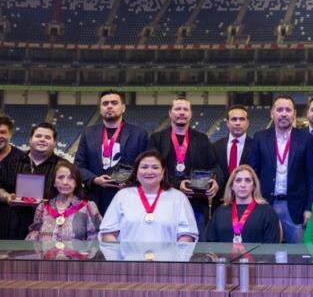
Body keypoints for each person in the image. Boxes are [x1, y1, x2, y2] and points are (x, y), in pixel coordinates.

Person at [245, 95, 313, 243]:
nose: (284, 114)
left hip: (295, 207)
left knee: (296, 255)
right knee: (265, 252)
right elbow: (252, 174)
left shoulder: (306, 139)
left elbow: (312, 176)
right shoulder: (260, 137)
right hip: (265, 204)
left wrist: (309, 208)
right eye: (279, 110)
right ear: (272, 113)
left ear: (294, 114)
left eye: (288, 110)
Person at [148, 96, 220, 229]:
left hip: (195, 203)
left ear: (190, 114)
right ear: (170, 113)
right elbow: (151, 170)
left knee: (195, 244)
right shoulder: (157, 139)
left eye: (185, 109)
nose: (182, 112)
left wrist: (216, 181)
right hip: (164, 200)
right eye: (177, 109)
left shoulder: (201, 139)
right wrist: (176, 184)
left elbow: (213, 166)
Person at [98, 150, 198, 243]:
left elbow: (187, 234)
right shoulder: (122, 196)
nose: (149, 172)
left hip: (167, 259)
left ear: (163, 172)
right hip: (128, 260)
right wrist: (119, 258)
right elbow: (108, 233)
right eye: (144, 167)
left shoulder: (178, 197)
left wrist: (174, 260)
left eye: (155, 167)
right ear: (136, 172)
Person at [75, 91, 149, 214]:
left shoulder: (139, 134)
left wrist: (130, 182)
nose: (109, 106)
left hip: (128, 198)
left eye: (114, 103)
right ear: (100, 109)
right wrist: (95, 179)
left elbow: (146, 166)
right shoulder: (89, 133)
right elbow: (78, 166)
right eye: (105, 103)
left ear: (123, 107)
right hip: (95, 198)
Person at [0, 122, 62, 239]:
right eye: (38, 136)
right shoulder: (12, 163)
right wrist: (7, 197)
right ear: (30, 140)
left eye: (47, 137)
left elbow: (70, 195)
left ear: (54, 143)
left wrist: (50, 204)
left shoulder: (62, 166)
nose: (42, 140)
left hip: (47, 228)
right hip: (11, 227)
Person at [25, 160, 103, 242]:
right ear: (54, 182)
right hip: (46, 254)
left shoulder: (88, 207)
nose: (65, 182)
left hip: (76, 254)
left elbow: (95, 240)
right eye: (60, 177)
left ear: (76, 183)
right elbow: (34, 237)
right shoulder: (42, 207)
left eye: (71, 178)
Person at [203, 165, 281, 244]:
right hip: (224, 256)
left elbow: (272, 245)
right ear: (232, 186)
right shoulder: (220, 212)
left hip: (257, 256)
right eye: (238, 180)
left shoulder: (267, 212)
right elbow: (210, 243)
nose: (243, 185)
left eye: (248, 180)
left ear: (254, 186)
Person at [213, 105, 253, 198]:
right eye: (234, 119)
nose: (238, 123)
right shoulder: (215, 146)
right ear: (227, 123)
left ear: (247, 123)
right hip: (221, 200)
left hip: (247, 199)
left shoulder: (256, 146)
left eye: (242, 119)